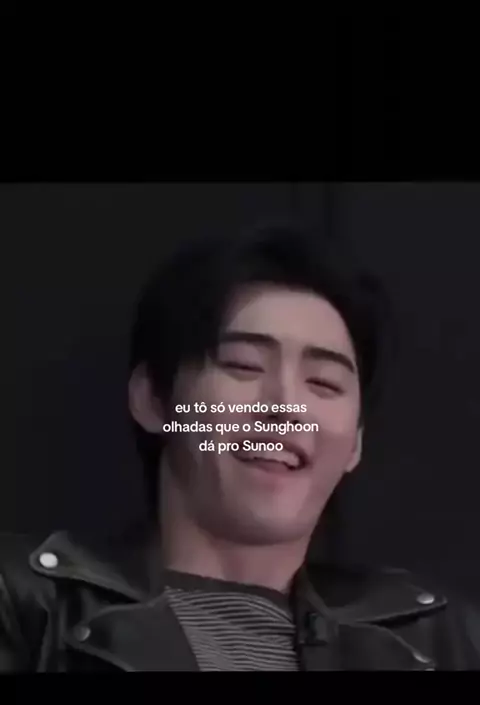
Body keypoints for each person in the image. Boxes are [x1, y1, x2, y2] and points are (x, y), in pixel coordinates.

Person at [1, 220, 479, 671]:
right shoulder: (27, 606)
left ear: (355, 442)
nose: (286, 406)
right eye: (244, 365)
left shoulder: (444, 641)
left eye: (324, 383)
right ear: (154, 400)